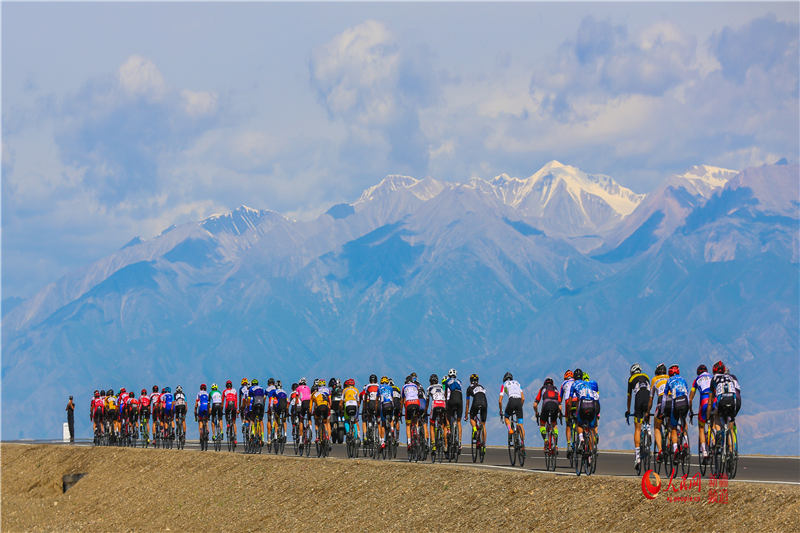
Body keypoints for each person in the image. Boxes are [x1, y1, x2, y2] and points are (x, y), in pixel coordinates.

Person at [707, 361, 739, 453]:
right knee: (730, 427)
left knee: (716, 415)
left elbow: (710, 401)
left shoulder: (714, 379)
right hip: (733, 402)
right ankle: (731, 451)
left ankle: (718, 433)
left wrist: (709, 416)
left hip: (722, 402)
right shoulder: (730, 377)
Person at [626, 363, 651, 466]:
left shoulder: (631, 379)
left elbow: (629, 396)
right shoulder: (646, 376)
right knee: (647, 414)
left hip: (639, 399)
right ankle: (648, 428)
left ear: (632, 372)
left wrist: (628, 410)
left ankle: (637, 457)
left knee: (637, 428)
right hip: (648, 398)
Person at [570, 369, 599, 450]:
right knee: (591, 428)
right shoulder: (589, 384)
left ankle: (581, 438)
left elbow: (570, 401)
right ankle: (591, 452)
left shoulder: (574, 384)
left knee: (579, 423)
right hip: (593, 405)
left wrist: (569, 411)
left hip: (583, 405)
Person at [664, 365, 690, 456]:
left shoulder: (669, 381)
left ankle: (675, 449)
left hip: (675, 404)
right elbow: (687, 394)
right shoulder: (683, 379)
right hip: (685, 403)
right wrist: (689, 410)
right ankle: (686, 442)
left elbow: (664, 398)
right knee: (684, 421)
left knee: (674, 427)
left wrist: (663, 410)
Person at [689, 364, 712, 459]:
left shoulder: (696, 380)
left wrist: (690, 410)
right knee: (713, 423)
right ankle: (714, 441)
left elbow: (690, 398)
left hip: (704, 400)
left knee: (701, 427)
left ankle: (704, 451)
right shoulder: (712, 377)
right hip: (713, 401)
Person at [648, 364, 669, 460]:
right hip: (672, 402)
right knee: (671, 426)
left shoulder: (654, 379)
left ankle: (660, 451)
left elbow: (651, 399)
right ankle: (670, 446)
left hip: (661, 402)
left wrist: (647, 412)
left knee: (657, 427)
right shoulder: (669, 377)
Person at [498, 372, 525, 444]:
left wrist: (501, 411)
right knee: (520, 424)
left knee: (506, 417)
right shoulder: (517, 383)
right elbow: (523, 398)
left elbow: (500, 401)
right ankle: (522, 444)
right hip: (519, 401)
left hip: (512, 400)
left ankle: (510, 429)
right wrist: (519, 408)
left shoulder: (504, 384)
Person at [533, 378, 562, 444]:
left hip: (546, 405)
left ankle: (546, 440)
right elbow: (560, 406)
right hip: (555, 405)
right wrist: (558, 414)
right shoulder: (555, 389)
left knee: (542, 424)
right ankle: (556, 444)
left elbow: (535, 405)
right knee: (554, 424)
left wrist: (536, 413)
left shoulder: (542, 389)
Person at [464, 373, 487, 449]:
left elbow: (467, 403)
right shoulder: (481, 386)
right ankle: (484, 445)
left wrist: (466, 415)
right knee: (483, 424)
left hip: (476, 402)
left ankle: (474, 429)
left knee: (472, 418)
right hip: (484, 402)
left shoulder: (469, 388)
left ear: (470, 381)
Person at [443, 368, 463, 450]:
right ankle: (460, 442)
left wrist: (445, 401)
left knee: (447, 414)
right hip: (460, 400)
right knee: (458, 421)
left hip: (451, 400)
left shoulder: (447, 381)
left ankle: (448, 429)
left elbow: (446, 393)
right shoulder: (459, 381)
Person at [426, 374, 447, 451]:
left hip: (435, 404)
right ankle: (445, 444)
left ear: (430, 381)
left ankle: (433, 444)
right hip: (443, 404)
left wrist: (425, 411)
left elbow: (427, 401)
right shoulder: (441, 387)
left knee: (432, 424)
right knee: (443, 423)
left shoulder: (429, 388)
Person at [560, 370, 576, 457]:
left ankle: (569, 444)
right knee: (578, 422)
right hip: (577, 401)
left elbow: (559, 399)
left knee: (568, 424)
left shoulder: (564, 383)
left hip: (568, 402)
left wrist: (559, 411)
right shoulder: (576, 382)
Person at [311, 379, 332, 444]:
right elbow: (330, 400)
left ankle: (318, 437)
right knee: (327, 423)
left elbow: (316, 403)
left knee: (317, 421)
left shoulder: (318, 390)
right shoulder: (328, 390)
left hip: (319, 408)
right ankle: (328, 438)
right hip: (327, 407)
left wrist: (313, 411)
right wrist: (330, 407)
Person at [360, 374, 380, 444]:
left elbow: (365, 396)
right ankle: (379, 438)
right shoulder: (379, 386)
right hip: (378, 403)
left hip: (371, 403)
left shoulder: (368, 386)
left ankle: (370, 425)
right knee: (378, 418)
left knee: (369, 415)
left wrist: (365, 407)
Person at [402, 375, 421, 446]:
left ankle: (409, 442)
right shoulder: (415, 386)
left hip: (408, 404)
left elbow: (403, 400)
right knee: (416, 419)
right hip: (417, 403)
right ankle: (417, 431)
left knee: (408, 424)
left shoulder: (404, 387)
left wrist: (403, 409)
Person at [249, 378, 267, 445]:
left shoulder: (251, 389)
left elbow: (250, 400)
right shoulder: (261, 388)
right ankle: (262, 437)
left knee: (252, 418)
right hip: (261, 404)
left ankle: (252, 432)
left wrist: (249, 409)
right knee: (261, 420)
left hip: (255, 404)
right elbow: (264, 398)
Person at [378, 376, 394, 449]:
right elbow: (392, 397)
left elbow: (377, 398)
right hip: (390, 405)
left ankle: (382, 442)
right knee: (391, 418)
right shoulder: (390, 387)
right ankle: (392, 429)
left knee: (383, 424)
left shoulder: (379, 387)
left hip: (383, 406)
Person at [295, 377, 312, 443]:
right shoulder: (308, 388)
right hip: (309, 402)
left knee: (301, 420)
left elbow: (297, 399)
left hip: (304, 402)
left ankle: (300, 439)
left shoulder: (298, 388)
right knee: (309, 417)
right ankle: (310, 428)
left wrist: (296, 408)